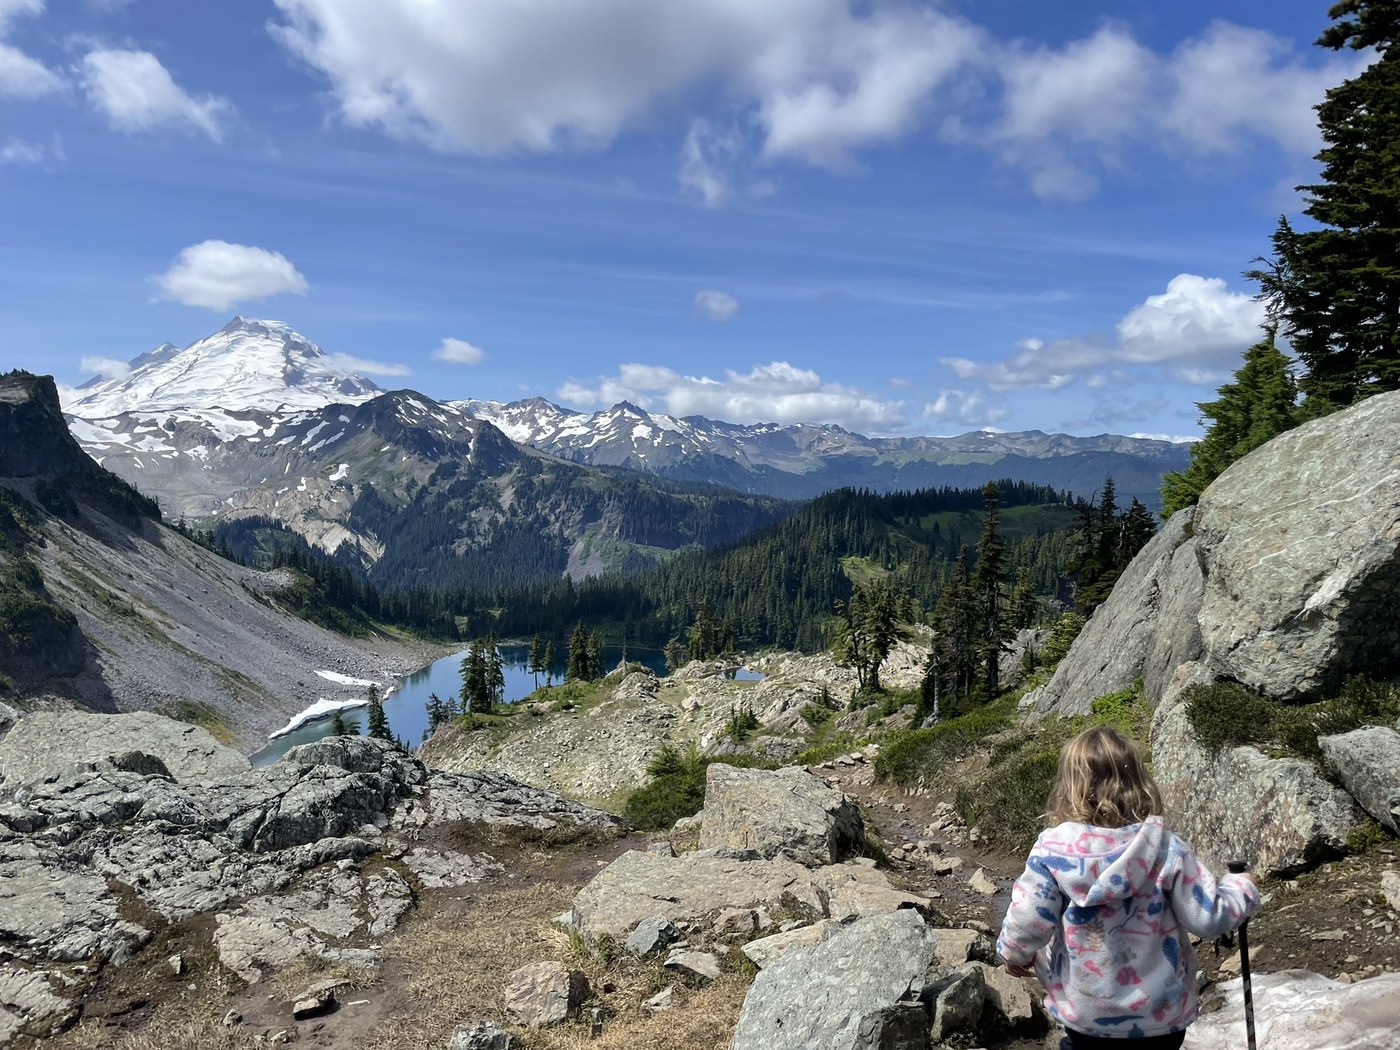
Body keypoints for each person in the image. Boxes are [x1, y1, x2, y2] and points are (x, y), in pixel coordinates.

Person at [996, 726, 1259, 1049]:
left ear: (1070, 786)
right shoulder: (1164, 847)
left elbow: (1028, 920)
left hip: (1087, 1015)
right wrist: (1241, 888)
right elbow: (1209, 918)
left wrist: (1014, 953)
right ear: (1137, 781)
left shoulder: (1054, 851)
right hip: (1160, 1019)